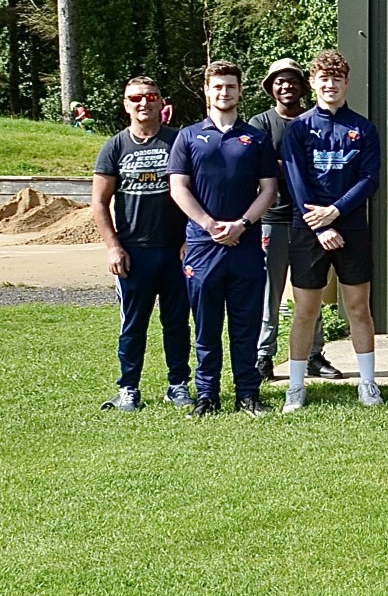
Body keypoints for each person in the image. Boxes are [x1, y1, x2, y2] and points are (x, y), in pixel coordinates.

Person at [167, 61, 279, 417]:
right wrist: (209, 224)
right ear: (207, 91)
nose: (224, 93)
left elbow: (269, 189)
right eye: (217, 87)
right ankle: (207, 396)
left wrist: (242, 224)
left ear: (240, 90)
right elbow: (178, 187)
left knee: (245, 324)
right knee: (206, 325)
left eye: (230, 86)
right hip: (203, 247)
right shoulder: (188, 136)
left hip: (245, 245)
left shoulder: (256, 138)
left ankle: (248, 393)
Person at [278, 51, 383, 410]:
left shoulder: (363, 127)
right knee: (306, 309)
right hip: (309, 229)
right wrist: (319, 225)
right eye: (323, 78)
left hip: (351, 225)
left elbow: (370, 179)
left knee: (358, 307)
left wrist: (336, 211)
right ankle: (296, 386)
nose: (330, 85)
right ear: (313, 83)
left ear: (346, 83)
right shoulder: (298, 128)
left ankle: (368, 384)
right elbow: (294, 179)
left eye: (336, 78)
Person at [94, 76, 191, 411]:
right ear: (126, 103)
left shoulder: (178, 141)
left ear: (161, 102)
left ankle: (178, 385)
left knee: (177, 322)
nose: (143, 103)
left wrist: (189, 237)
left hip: (175, 251)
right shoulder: (115, 147)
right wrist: (113, 247)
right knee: (133, 325)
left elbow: (196, 192)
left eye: (150, 96)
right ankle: (128, 388)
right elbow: (99, 201)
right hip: (134, 253)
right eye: (135, 98)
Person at [251, 58, 333, 384]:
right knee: (270, 292)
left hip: (311, 219)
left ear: (303, 85)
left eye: (292, 81)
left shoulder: (316, 120)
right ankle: (263, 357)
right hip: (273, 219)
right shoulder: (262, 123)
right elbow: (261, 168)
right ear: (271, 87)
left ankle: (314, 355)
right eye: (279, 81)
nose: (286, 86)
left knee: (309, 290)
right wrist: (294, 166)